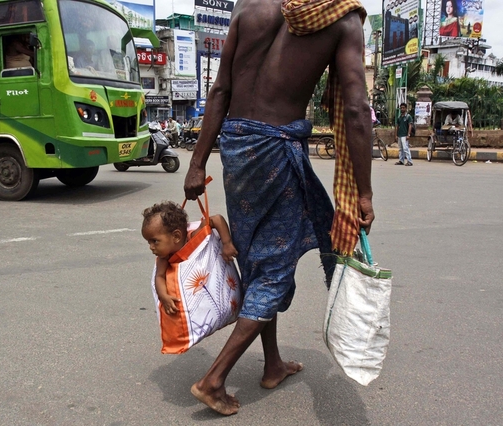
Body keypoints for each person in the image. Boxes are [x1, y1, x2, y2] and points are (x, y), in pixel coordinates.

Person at [183, 0, 374, 416]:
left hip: (236, 145)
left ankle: (272, 364)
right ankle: (213, 380)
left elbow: (220, 90)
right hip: (276, 148)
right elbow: (357, 110)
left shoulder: (248, 6)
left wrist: (197, 162)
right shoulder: (341, 17)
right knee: (274, 267)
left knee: (257, 257)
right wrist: (363, 193)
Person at [141, 201, 238, 316]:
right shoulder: (165, 258)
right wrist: (164, 296)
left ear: (176, 236)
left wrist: (227, 243)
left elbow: (216, 219)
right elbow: (159, 276)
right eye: (149, 242)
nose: (151, 247)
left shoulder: (193, 238)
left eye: (155, 241)